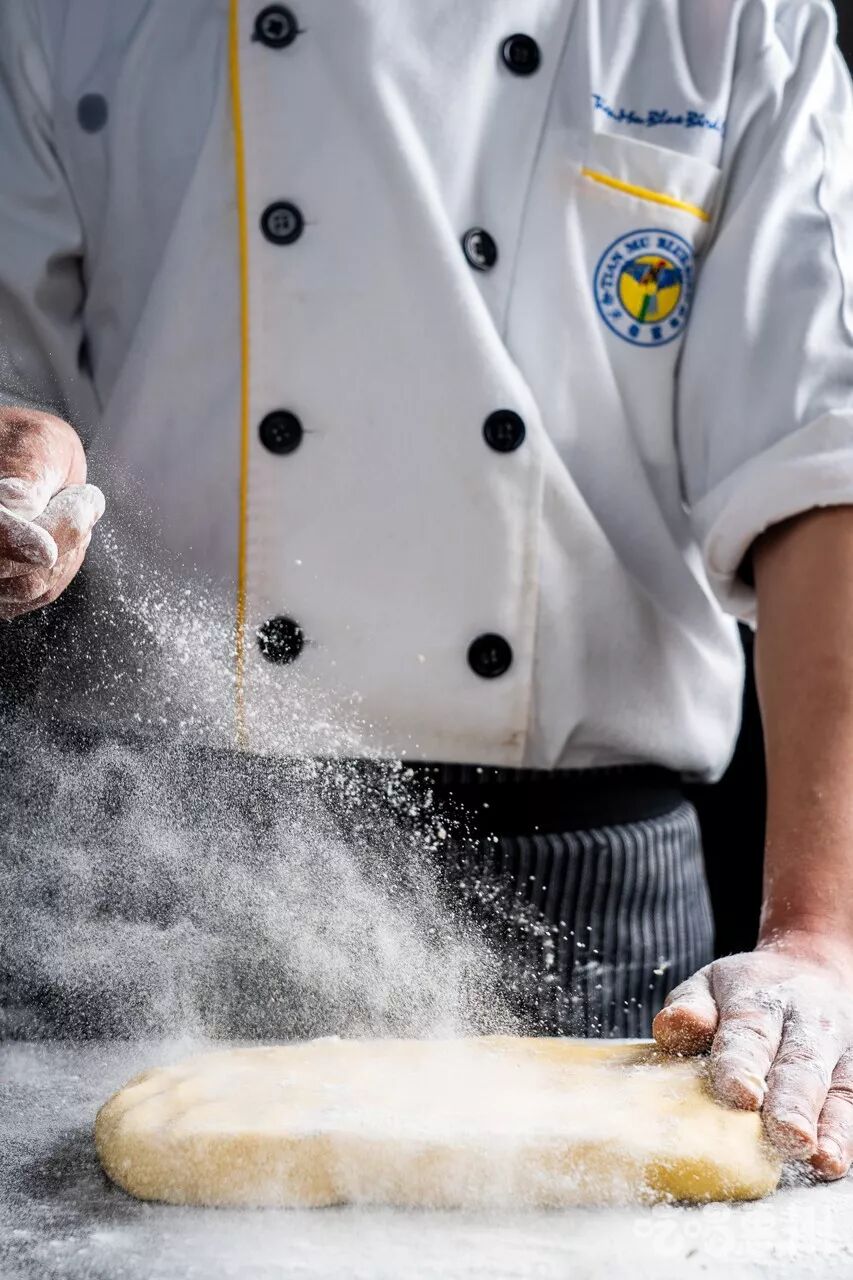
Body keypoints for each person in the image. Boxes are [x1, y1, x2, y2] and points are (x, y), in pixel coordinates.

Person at [2, 0, 853, 1180]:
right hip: (143, 874)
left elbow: (824, 469)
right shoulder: (63, 16)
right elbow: (18, 372)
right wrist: (24, 454)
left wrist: (815, 931)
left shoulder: (727, 21)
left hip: (587, 894)